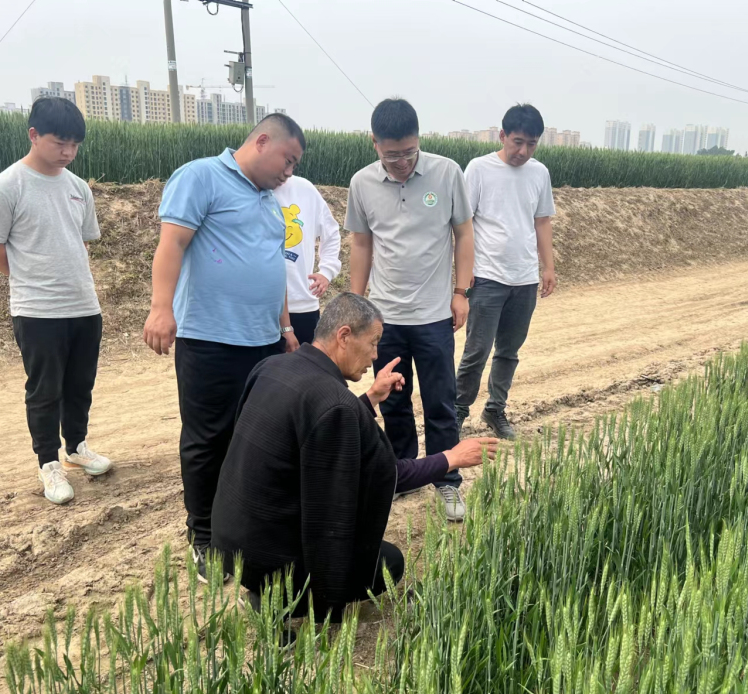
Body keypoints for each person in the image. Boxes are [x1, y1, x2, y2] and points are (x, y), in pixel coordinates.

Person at [211, 293, 498, 621]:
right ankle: (279, 600)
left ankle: (265, 587)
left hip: (232, 542)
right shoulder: (334, 403)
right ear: (344, 336)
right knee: (388, 564)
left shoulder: (272, 366)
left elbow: (318, 428)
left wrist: (371, 398)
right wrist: (450, 458)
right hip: (273, 559)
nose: (375, 355)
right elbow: (384, 474)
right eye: (373, 343)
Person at [142, 113, 305, 581]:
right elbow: (172, 244)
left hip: (263, 341)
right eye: (287, 160)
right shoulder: (201, 177)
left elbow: (273, 267)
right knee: (207, 441)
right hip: (211, 339)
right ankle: (205, 536)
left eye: (294, 166)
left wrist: (286, 327)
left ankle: (245, 524)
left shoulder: (270, 200)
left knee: (255, 438)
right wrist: (161, 308)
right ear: (261, 141)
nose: (288, 172)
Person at [0, 97, 112, 506]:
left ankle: (76, 447)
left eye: (75, 145)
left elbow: (81, 241)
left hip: (83, 305)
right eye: (59, 143)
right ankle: (48, 462)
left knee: (80, 384)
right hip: (37, 310)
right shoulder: (6, 187)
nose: (68, 152)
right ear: (34, 135)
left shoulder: (78, 188)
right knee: (44, 390)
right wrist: (27, 276)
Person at [345, 98, 476, 522]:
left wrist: (461, 291)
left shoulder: (447, 173)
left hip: (434, 316)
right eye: (391, 155)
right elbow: (361, 244)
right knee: (394, 403)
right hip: (385, 318)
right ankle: (402, 475)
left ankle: (447, 480)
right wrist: (357, 303)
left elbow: (464, 234)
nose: (401, 162)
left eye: (409, 152)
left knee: (440, 402)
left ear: (419, 140)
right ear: (374, 144)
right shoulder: (362, 183)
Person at [455, 104, 557, 440]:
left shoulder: (539, 173)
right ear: (502, 136)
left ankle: (495, 409)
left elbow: (542, 221)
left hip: (524, 279)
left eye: (531, 144)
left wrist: (548, 267)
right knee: (476, 352)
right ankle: (457, 412)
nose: (523, 151)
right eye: (517, 142)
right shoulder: (479, 169)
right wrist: (464, 272)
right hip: (487, 277)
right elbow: (464, 223)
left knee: (508, 352)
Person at [271, 174, 342, 348]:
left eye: (292, 163)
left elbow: (331, 232)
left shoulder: (304, 189)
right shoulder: (248, 189)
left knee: (303, 364)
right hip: (259, 308)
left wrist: (327, 271)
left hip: (301, 304)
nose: (287, 170)